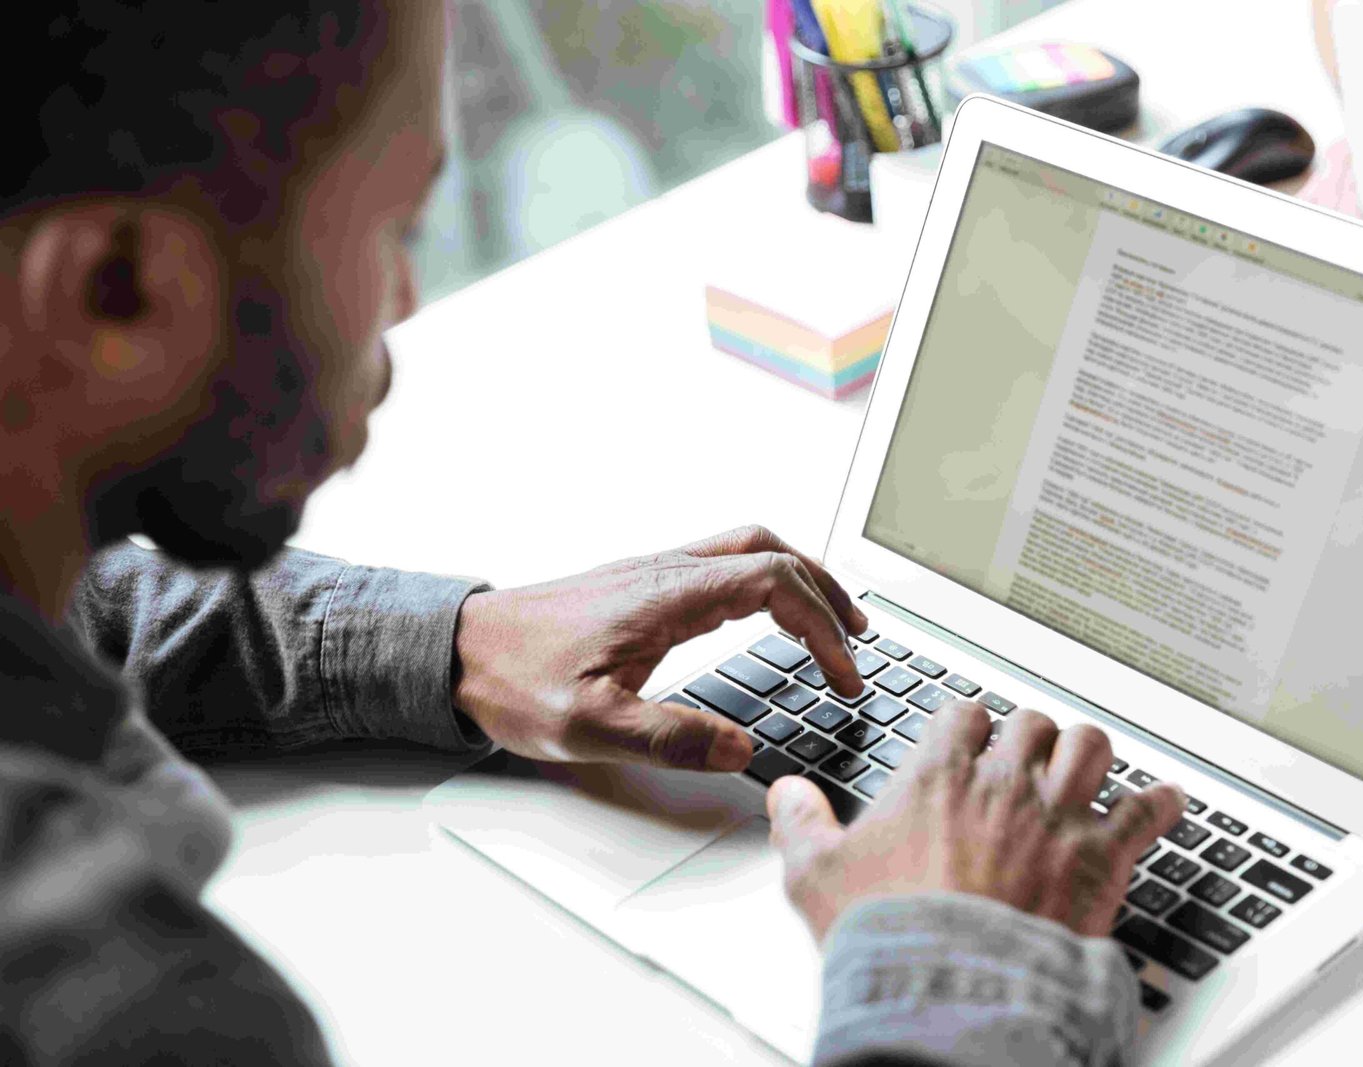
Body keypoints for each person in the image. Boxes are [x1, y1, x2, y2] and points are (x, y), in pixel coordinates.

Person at [0, 3, 1186, 1064]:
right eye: (397, 227)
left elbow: (76, 608)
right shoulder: (135, 1012)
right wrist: (950, 982)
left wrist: (453, 641)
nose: (406, 303)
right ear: (117, 289)